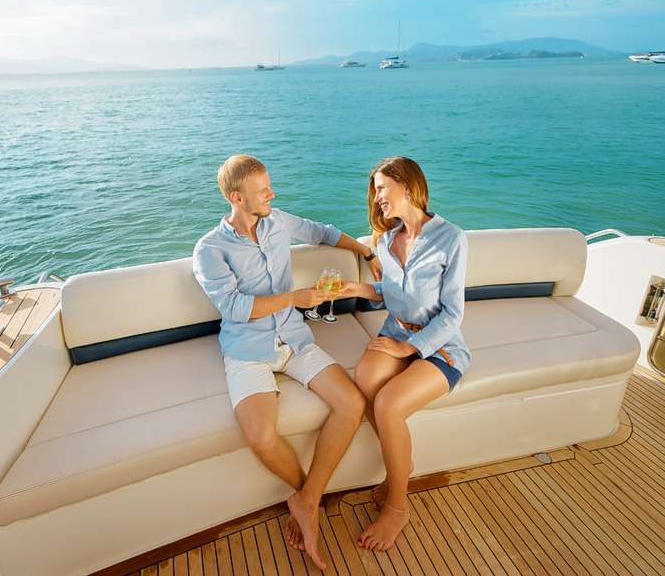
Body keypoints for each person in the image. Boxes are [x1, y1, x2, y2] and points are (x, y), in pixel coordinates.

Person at [193, 154, 380, 569]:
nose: (272, 195)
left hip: (294, 338)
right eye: (263, 191)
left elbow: (322, 232)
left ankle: (307, 500)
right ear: (237, 197)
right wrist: (295, 298)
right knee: (261, 437)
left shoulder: (278, 221)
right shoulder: (209, 249)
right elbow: (235, 308)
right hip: (247, 350)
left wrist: (367, 252)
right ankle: (309, 497)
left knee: (352, 403)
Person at [339, 156, 471, 552]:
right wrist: (357, 289)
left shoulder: (451, 238)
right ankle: (402, 464)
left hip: (440, 346)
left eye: (382, 188)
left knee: (388, 404)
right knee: (364, 380)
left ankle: (398, 505)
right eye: (374, 190)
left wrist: (408, 348)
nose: (376, 197)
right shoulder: (383, 241)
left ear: (408, 187)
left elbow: (453, 314)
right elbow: (392, 293)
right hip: (395, 331)